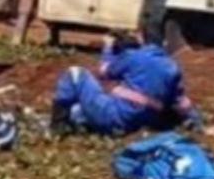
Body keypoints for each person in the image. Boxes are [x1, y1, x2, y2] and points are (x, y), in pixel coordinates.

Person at [50, 32, 201, 136]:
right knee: (78, 111)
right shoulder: (172, 67)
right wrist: (198, 124)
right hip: (139, 125)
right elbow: (183, 104)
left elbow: (103, 72)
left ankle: (57, 128)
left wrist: (108, 48)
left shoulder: (134, 56)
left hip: (116, 117)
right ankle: (75, 121)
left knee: (75, 73)